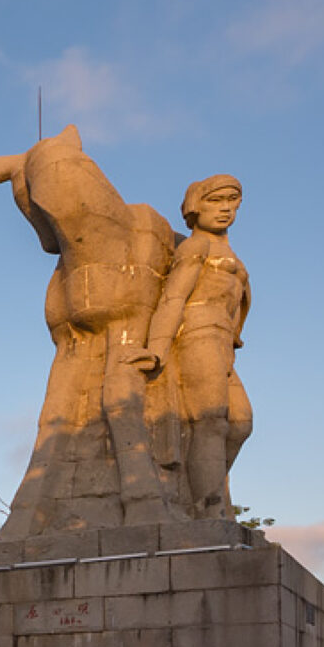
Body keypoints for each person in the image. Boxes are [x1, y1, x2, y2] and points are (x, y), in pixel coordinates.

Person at [135, 174, 251, 518]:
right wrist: (156, 348)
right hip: (198, 333)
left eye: (232, 200)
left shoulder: (227, 250)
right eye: (216, 200)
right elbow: (173, 297)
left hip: (223, 344)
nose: (226, 208)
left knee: (241, 422)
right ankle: (209, 509)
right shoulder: (195, 247)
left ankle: (201, 488)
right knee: (209, 420)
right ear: (194, 205)